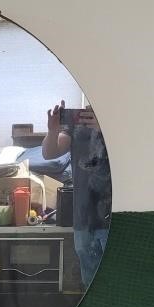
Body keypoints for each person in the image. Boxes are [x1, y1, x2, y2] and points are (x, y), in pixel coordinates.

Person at [43, 100, 111, 288]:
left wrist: (105, 128)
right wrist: (53, 129)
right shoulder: (76, 123)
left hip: (113, 218)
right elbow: (49, 153)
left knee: (115, 282)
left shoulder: (119, 120)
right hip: (83, 217)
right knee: (89, 285)